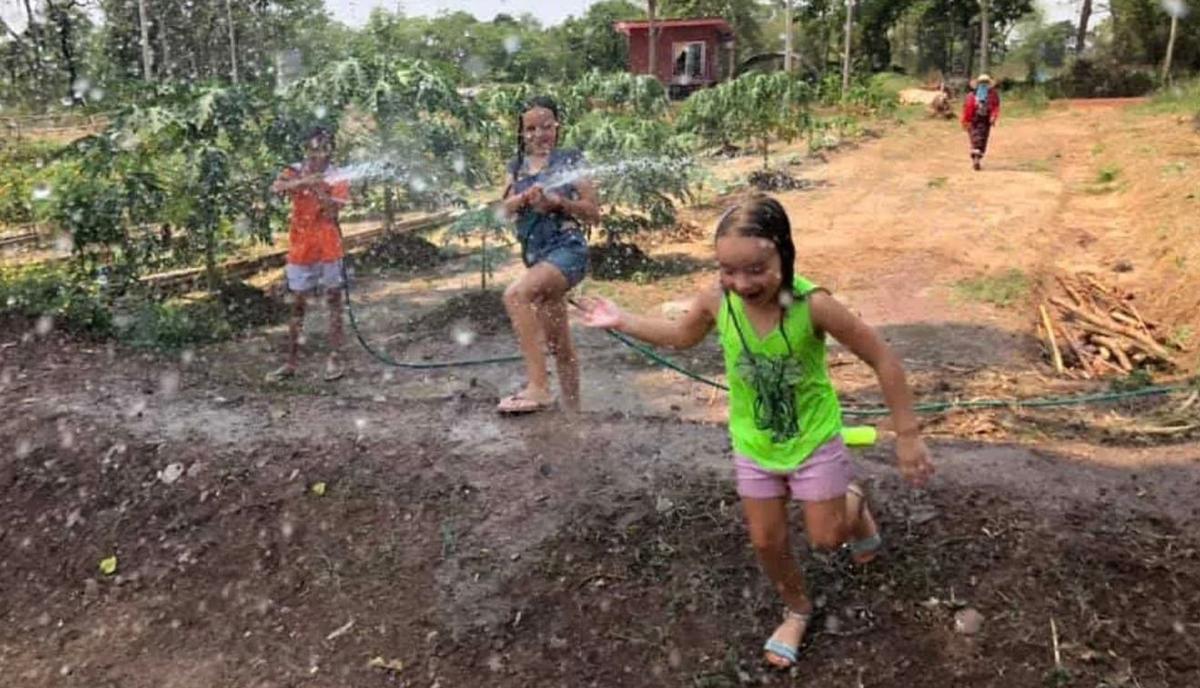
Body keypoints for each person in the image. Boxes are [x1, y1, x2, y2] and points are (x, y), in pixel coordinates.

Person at [576, 195, 934, 669]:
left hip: (813, 439)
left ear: (784, 254)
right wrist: (622, 319)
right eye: (728, 270)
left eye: (756, 270)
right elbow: (681, 336)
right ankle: (797, 609)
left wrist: (907, 434)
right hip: (754, 443)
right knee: (766, 541)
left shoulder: (813, 305)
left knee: (827, 539)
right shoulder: (716, 300)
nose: (741, 284)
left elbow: (882, 358)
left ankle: (854, 505)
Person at [496, 96, 600, 414]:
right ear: (521, 132)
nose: (538, 134)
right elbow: (501, 211)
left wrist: (558, 203)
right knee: (559, 345)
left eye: (546, 126)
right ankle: (574, 415)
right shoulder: (516, 168)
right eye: (530, 129)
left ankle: (538, 388)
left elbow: (593, 212)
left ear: (557, 127)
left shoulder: (569, 161)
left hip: (567, 250)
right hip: (538, 258)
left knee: (516, 296)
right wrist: (523, 199)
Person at [268, 127, 351, 382]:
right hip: (301, 245)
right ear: (306, 149)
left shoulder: (338, 176)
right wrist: (304, 181)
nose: (318, 154)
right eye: (313, 149)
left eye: (323, 148)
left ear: (331, 150)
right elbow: (277, 188)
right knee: (298, 304)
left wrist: (319, 189)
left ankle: (335, 358)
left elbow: (332, 212)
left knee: (334, 300)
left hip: (328, 245)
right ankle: (291, 362)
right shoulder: (295, 170)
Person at [961, 74, 1001, 171]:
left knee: (982, 138)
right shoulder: (971, 96)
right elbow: (967, 108)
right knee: (975, 138)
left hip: (985, 120)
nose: (983, 85)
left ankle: (977, 157)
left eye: (985, 83)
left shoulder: (993, 95)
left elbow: (995, 106)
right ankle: (976, 158)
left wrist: (993, 116)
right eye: (982, 83)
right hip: (973, 120)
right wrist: (966, 121)